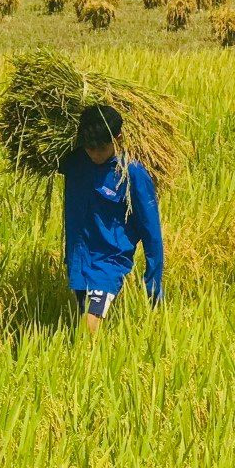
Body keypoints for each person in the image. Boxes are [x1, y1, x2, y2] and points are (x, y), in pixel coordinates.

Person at [60, 104, 164, 331]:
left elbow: (152, 231)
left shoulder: (132, 173)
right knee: (82, 319)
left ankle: (86, 364)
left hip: (109, 261)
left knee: (90, 324)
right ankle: (88, 361)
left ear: (118, 138)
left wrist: (153, 282)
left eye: (102, 148)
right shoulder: (74, 162)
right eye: (90, 148)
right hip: (78, 258)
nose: (95, 154)